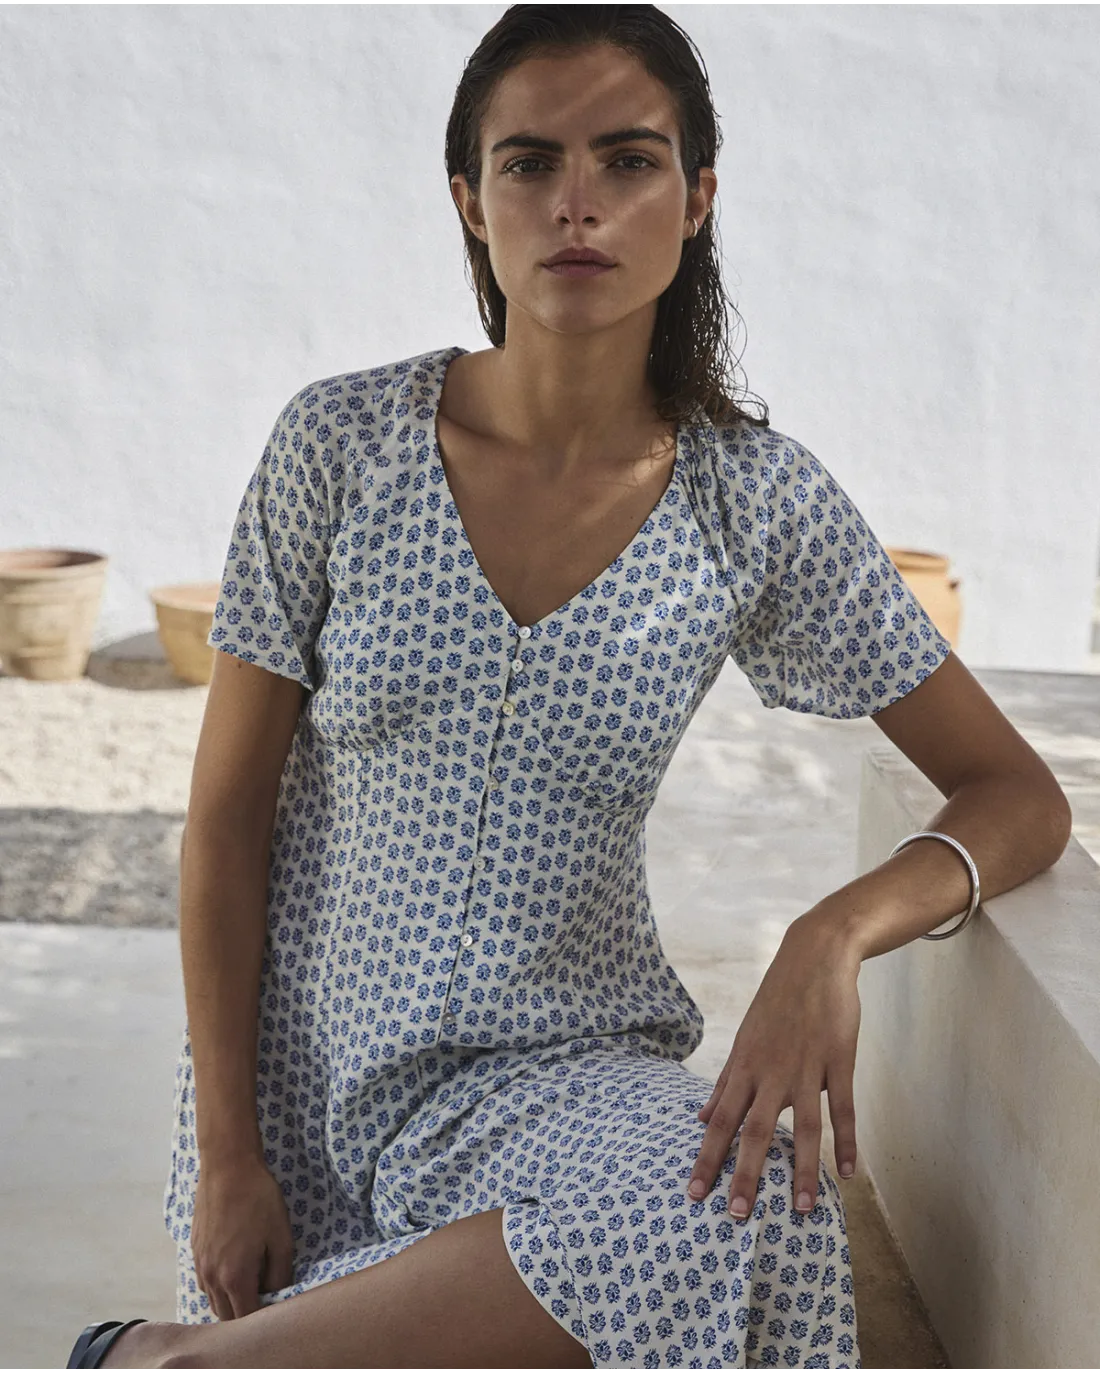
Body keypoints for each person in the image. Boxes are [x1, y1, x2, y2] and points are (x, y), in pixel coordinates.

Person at [74, 1, 1063, 1370]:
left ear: (697, 197)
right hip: (312, 1085)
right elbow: (226, 821)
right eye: (530, 162)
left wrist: (832, 933)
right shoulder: (340, 446)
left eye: (629, 160)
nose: (576, 204)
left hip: (561, 1068)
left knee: (755, 1203)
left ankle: (163, 1363)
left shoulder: (752, 501)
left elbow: (1017, 794)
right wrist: (232, 1152)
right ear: (470, 201)